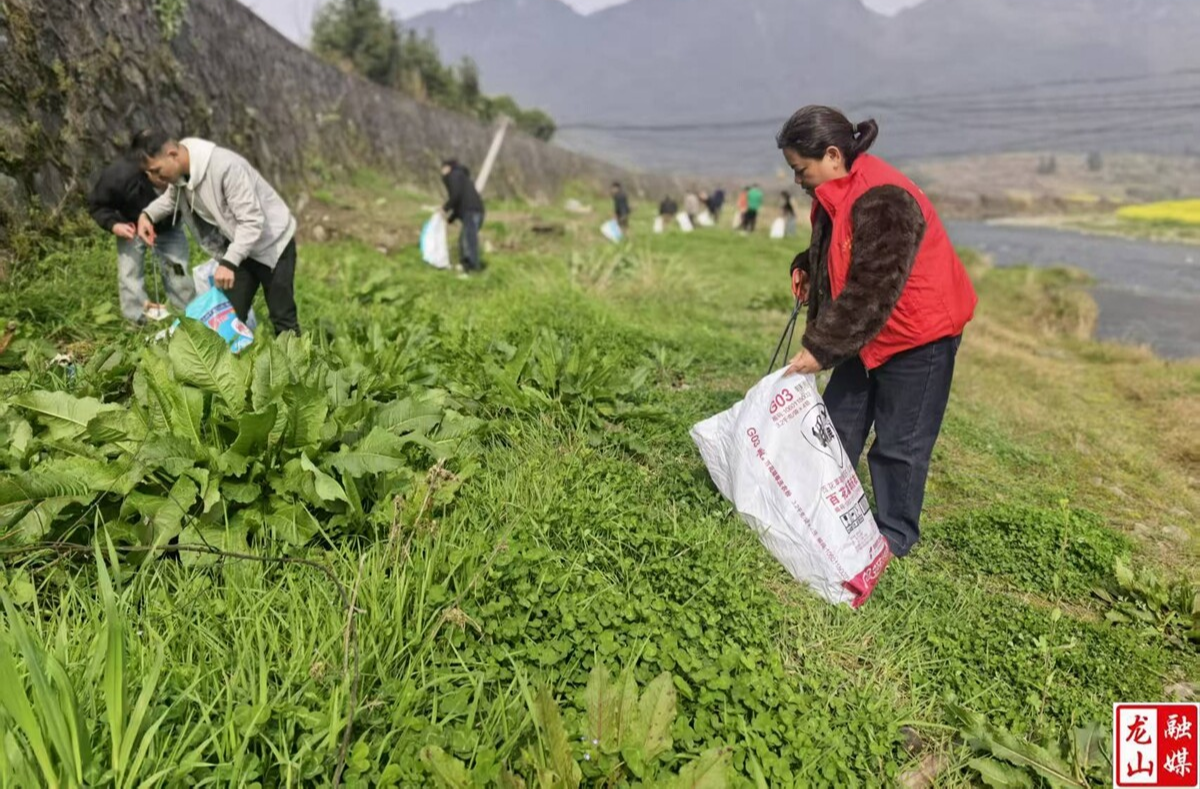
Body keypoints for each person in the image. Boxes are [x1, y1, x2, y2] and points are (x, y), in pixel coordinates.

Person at [779, 105, 977, 559]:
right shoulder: (834, 189)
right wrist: (809, 268)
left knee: (900, 444)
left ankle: (892, 540)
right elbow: (845, 247)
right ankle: (822, 515)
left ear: (831, 154)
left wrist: (819, 349)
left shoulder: (884, 196)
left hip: (918, 335)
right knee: (836, 424)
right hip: (866, 333)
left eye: (800, 169)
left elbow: (872, 287)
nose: (797, 180)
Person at [133, 130, 301, 335]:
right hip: (240, 247)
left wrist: (229, 263)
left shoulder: (226, 167)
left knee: (282, 315)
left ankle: (295, 363)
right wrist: (147, 216)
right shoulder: (181, 174)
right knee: (228, 315)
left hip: (272, 245)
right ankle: (231, 363)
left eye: (157, 170)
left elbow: (251, 221)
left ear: (171, 154)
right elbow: (170, 200)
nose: (156, 178)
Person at [88, 150, 194, 324]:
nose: (167, 180)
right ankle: (138, 320)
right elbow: (97, 206)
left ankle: (189, 317)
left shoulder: (182, 168)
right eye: (160, 176)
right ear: (148, 171)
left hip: (169, 227)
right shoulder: (119, 176)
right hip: (131, 226)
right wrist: (114, 225)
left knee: (178, 270)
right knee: (129, 272)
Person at [441, 158, 486, 273]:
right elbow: (459, 201)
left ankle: (472, 270)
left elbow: (456, 196)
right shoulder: (462, 177)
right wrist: (450, 219)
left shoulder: (453, 176)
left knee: (468, 241)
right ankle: (467, 266)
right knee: (464, 240)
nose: (442, 171)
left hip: (471, 212)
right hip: (475, 211)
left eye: (443, 168)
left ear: (448, 167)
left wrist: (444, 208)